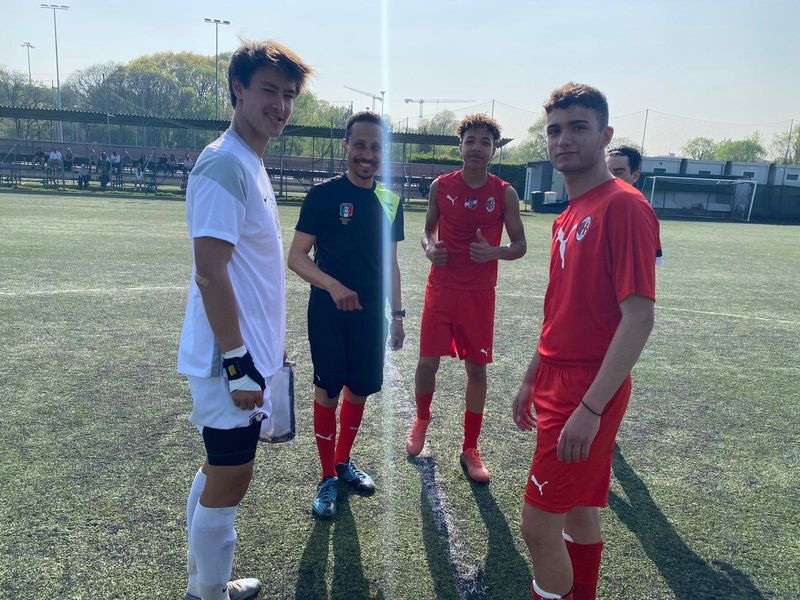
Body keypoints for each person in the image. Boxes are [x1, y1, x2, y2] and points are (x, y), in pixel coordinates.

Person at [512, 83, 661, 600]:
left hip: (586, 387)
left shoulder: (624, 206)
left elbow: (638, 317)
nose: (563, 140)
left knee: (536, 527)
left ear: (605, 135)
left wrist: (591, 408)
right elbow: (559, 311)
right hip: (556, 377)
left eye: (578, 128)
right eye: (555, 130)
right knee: (577, 512)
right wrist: (532, 377)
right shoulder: (567, 214)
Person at [176, 40, 312, 600]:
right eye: (268, 91)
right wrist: (238, 363)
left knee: (220, 468)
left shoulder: (249, 161)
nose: (280, 105)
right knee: (231, 477)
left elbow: (249, 273)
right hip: (226, 359)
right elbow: (210, 272)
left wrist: (267, 349)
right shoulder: (224, 162)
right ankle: (207, 594)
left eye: (288, 95)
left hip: (246, 355)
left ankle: (200, 583)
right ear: (237, 88)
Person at [287, 111, 405, 520]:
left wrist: (399, 314)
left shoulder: (390, 200)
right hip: (328, 313)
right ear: (346, 147)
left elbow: (391, 263)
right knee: (328, 391)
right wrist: (333, 286)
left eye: (375, 147)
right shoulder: (322, 196)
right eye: (360, 145)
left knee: (360, 389)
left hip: (371, 318)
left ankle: (342, 462)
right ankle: (325, 477)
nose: (367, 154)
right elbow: (297, 258)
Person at [405, 114, 527, 483]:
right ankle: (421, 421)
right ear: (460, 146)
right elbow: (427, 230)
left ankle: (471, 447)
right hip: (440, 289)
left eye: (485, 142)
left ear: (493, 150)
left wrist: (494, 253)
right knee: (427, 363)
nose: (477, 148)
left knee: (477, 369)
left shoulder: (503, 192)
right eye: (470, 140)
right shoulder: (441, 186)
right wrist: (430, 248)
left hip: (478, 295)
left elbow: (520, 246)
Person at [607, 146, 665, 266]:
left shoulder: (639, 210)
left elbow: (643, 268)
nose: (610, 178)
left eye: (618, 172)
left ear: (635, 175)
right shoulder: (591, 205)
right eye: (606, 172)